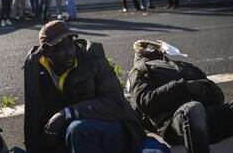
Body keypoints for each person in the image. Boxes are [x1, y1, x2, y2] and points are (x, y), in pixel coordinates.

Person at [127, 40, 233, 153]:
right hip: (177, 122)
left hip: (211, 116)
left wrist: (206, 89)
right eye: (147, 46)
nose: (151, 47)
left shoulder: (185, 66)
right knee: (194, 109)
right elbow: (145, 102)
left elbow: (219, 98)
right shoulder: (140, 70)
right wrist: (184, 87)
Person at [23, 20, 148, 153]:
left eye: (71, 44)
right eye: (60, 47)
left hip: (117, 126)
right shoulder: (35, 68)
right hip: (72, 131)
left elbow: (116, 103)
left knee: (78, 129)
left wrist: (69, 113)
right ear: (46, 53)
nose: (69, 52)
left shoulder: (94, 60)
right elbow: (33, 117)